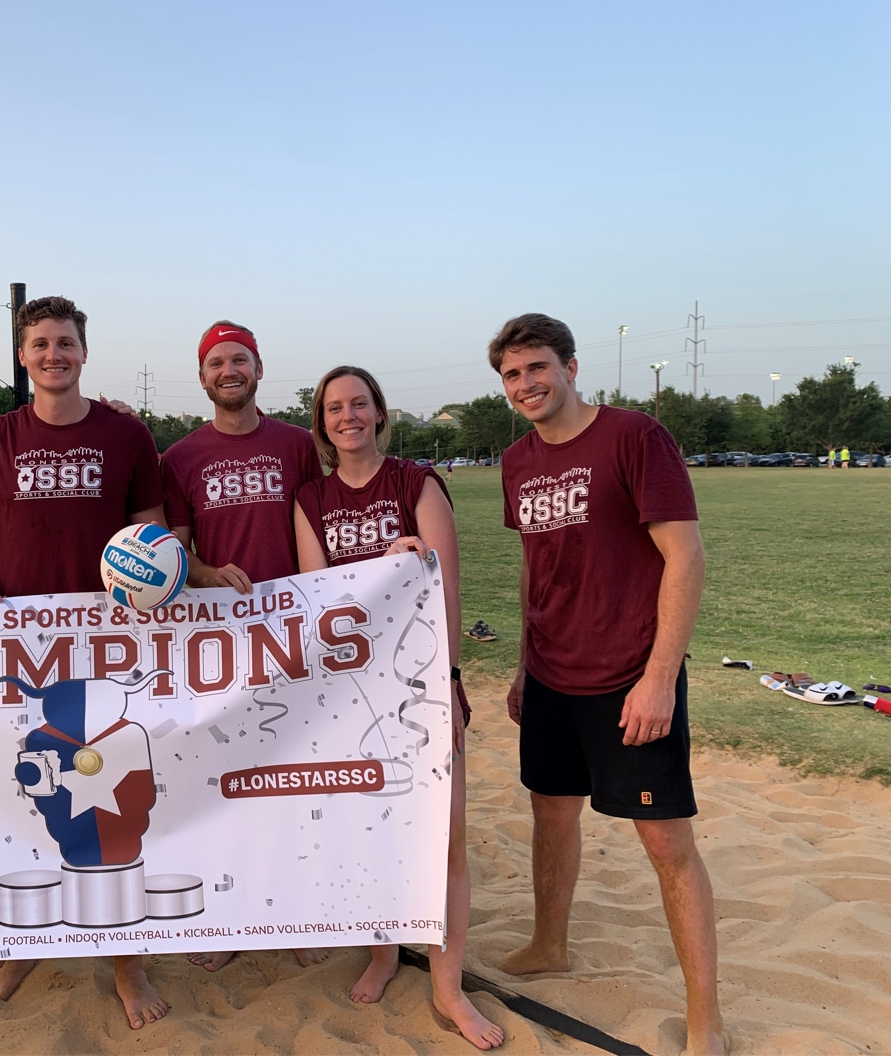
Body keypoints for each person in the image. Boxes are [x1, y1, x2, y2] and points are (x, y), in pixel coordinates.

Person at [488, 314, 723, 1055]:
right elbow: (535, 566)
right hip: (552, 673)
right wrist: (525, 664)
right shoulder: (515, 461)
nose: (525, 384)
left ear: (569, 366)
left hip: (628, 673)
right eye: (511, 374)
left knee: (664, 843)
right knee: (550, 812)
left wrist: (658, 678)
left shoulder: (632, 436)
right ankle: (548, 943)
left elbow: (684, 558)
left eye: (537, 368)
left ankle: (704, 1016)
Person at [0, 295, 171, 1030]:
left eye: (65, 342)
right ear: (23, 355)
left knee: (108, 801)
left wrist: (157, 582)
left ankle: (126, 963)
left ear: (84, 351)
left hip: (110, 648)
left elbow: (151, 535)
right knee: (28, 794)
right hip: (24, 649)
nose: (53, 353)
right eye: (40, 343)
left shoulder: (125, 432)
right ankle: (26, 942)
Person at [291, 366, 502, 1049]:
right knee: (374, 836)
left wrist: (440, 677)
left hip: (424, 686)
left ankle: (447, 986)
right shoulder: (310, 497)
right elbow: (316, 600)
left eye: (358, 403)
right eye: (333, 407)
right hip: (353, 695)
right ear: (321, 422)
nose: (347, 415)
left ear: (380, 413)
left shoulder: (416, 482)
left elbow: (445, 588)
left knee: (444, 838)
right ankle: (383, 951)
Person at [158, 320, 327, 974]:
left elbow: (325, 518)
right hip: (214, 642)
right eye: (216, 362)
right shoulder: (179, 457)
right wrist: (205, 573)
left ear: (258, 368)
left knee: (291, 777)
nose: (228, 370)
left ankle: (294, 910)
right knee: (219, 783)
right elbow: (174, 548)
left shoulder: (296, 444)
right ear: (202, 377)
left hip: (292, 634)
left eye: (239, 359)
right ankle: (226, 916)